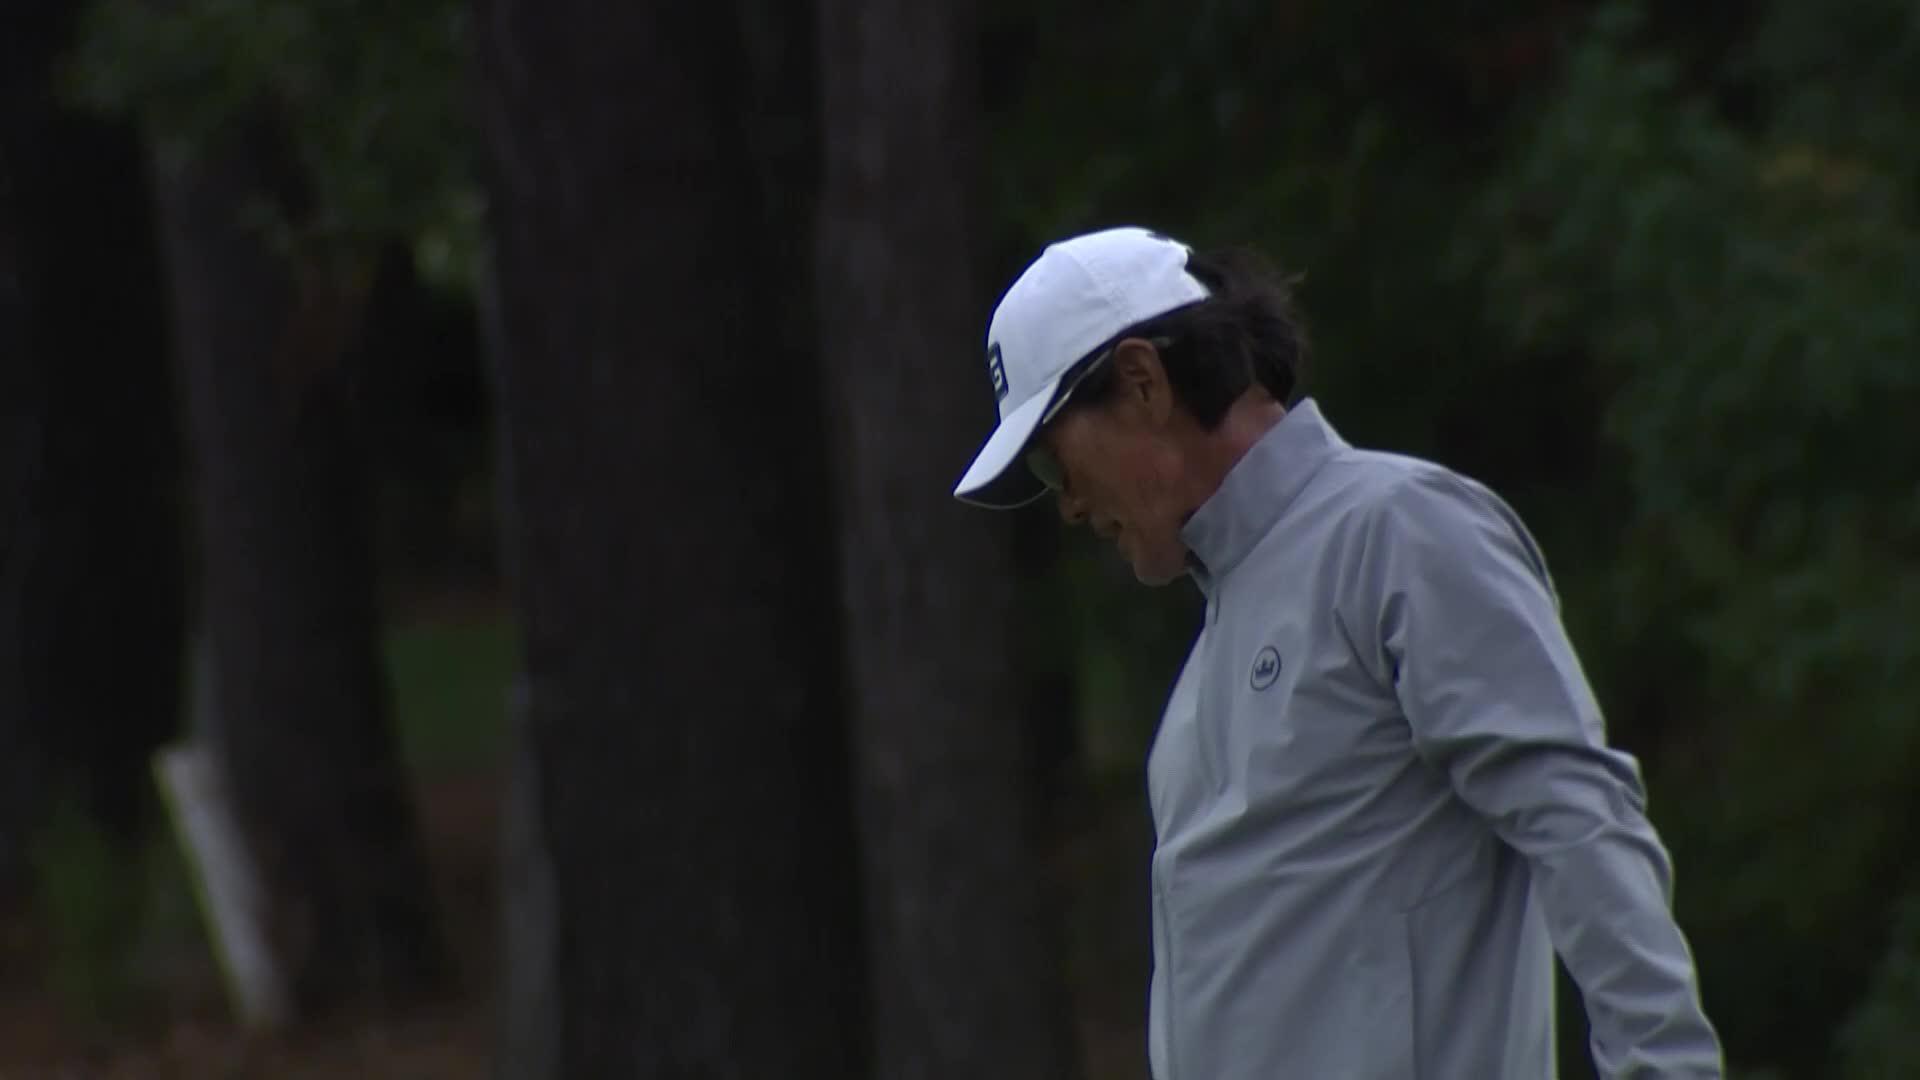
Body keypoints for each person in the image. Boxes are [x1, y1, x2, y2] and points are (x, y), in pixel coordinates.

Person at [952, 226, 1723, 1078]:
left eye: (1057, 465)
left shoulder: (1399, 530)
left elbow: (1580, 821)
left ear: (1141, 382)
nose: (1067, 506)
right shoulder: (1200, 680)